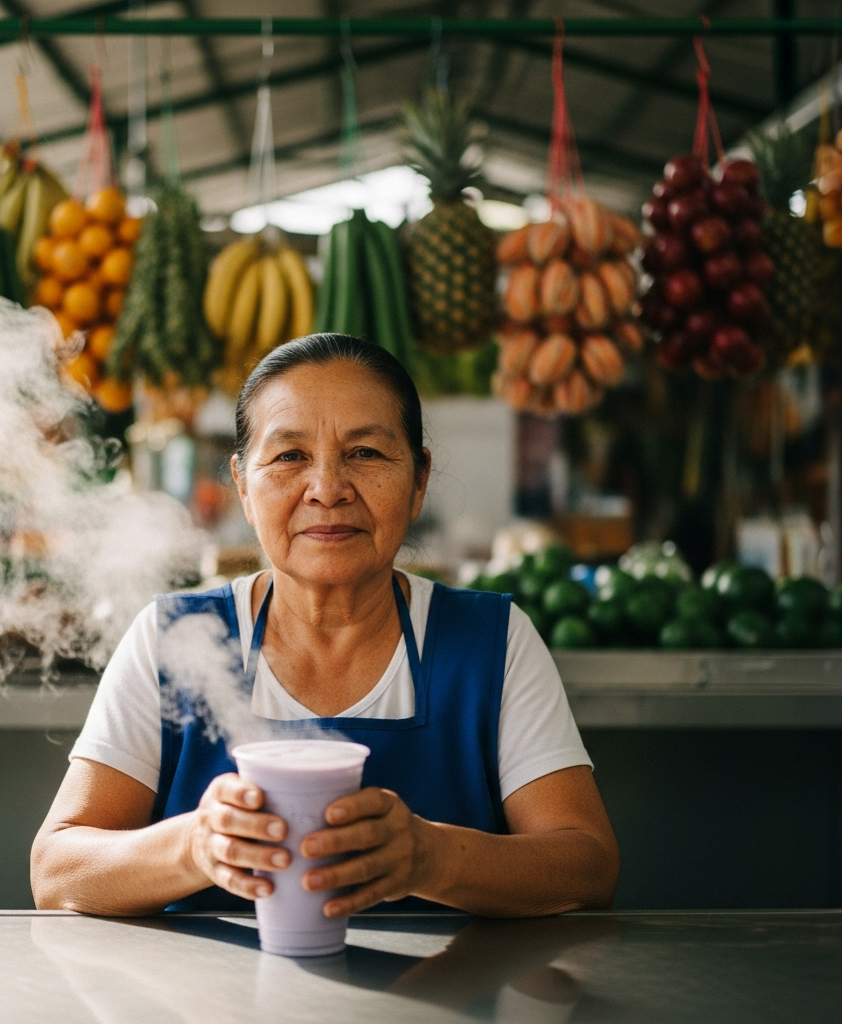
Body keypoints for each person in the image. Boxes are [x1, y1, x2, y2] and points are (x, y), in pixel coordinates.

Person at [31, 334, 617, 918]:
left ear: (418, 480)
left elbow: (587, 866)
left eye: (366, 453)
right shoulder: (171, 638)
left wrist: (431, 858)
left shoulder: (493, 642)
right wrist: (192, 847)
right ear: (241, 483)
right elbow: (57, 871)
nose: (328, 490)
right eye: (289, 456)